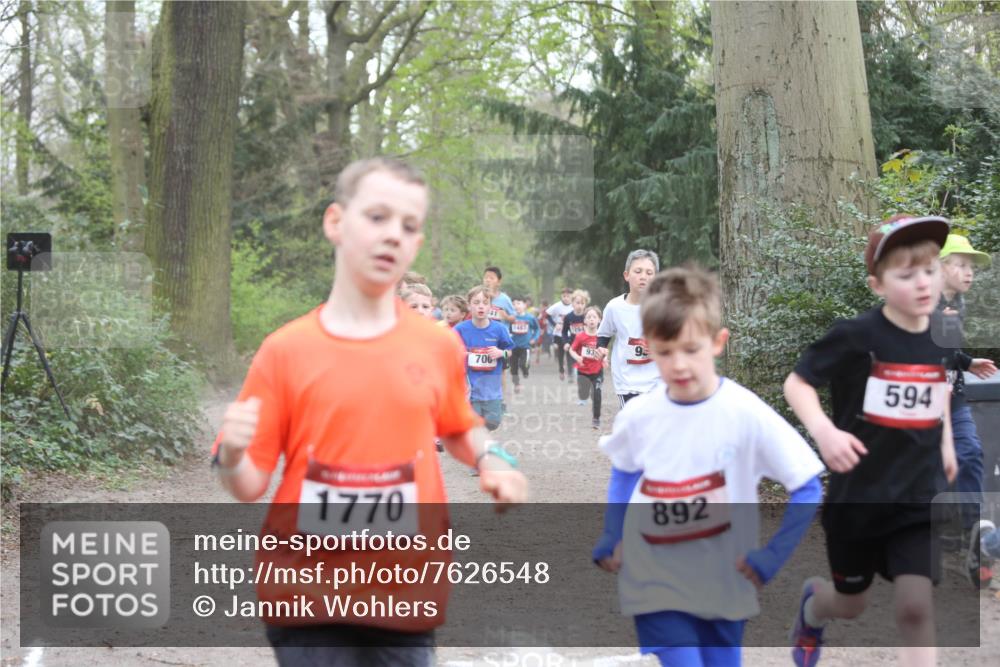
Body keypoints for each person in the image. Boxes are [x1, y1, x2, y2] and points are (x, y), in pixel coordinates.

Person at [212, 158, 527, 666]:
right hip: (305, 590)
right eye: (377, 217)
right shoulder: (284, 350)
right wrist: (230, 452)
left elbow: (461, 429)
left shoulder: (434, 346)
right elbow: (248, 484)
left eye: (408, 226)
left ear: (417, 244)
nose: (392, 235)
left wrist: (494, 461)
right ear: (336, 222)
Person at [593, 266, 824, 667]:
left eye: (691, 349)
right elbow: (626, 469)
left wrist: (771, 557)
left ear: (718, 343)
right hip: (654, 579)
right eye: (664, 352)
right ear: (649, 346)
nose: (679, 365)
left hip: (724, 582)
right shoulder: (640, 415)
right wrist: (612, 533)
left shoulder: (745, 413)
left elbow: (807, 486)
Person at [785, 215, 958, 667]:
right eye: (906, 274)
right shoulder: (856, 336)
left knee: (915, 607)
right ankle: (813, 607)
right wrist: (824, 431)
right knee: (851, 603)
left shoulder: (943, 333)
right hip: (857, 500)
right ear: (877, 285)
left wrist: (946, 444)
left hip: (917, 498)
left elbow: (938, 386)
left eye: (930, 270)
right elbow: (798, 384)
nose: (923, 283)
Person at [934, 234, 997, 587]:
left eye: (971, 267)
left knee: (971, 454)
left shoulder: (958, 304)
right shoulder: (919, 301)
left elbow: (948, 352)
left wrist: (967, 362)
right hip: (919, 403)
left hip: (953, 398)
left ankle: (975, 540)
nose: (968, 273)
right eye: (960, 265)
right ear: (940, 268)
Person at [597, 249, 662, 407]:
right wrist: (601, 348)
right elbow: (604, 334)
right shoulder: (614, 307)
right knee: (633, 427)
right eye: (638, 271)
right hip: (626, 381)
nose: (643, 277)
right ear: (627, 275)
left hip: (656, 380)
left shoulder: (663, 306)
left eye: (649, 273)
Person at [455, 285, 514, 432]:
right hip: (469, 389)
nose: (481, 306)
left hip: (492, 391)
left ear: (490, 306)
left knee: (493, 423)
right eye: (476, 303)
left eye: (485, 303)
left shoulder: (499, 329)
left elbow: (510, 351)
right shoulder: (460, 329)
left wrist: (501, 353)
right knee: (472, 426)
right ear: (469, 306)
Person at [568, 305, 608, 429]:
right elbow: (572, 350)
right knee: (584, 394)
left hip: (597, 371)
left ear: (599, 320)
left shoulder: (602, 336)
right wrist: (577, 358)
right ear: (584, 320)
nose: (591, 319)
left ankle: (596, 418)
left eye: (594, 317)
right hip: (583, 371)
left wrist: (605, 359)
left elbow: (605, 351)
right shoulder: (580, 336)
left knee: (597, 393)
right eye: (589, 317)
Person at [509, 297, 540, 394]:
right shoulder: (511, 318)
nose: (516, 306)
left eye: (518, 303)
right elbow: (506, 329)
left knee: (523, 364)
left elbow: (537, 329)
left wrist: (534, 339)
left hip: (525, 346)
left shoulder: (530, 318)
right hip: (513, 346)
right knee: (513, 367)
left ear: (525, 305)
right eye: (514, 304)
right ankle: (516, 384)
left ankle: (525, 371)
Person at [561, 289, 590, 384]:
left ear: (585, 304)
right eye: (577, 303)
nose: (580, 305)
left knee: (585, 361)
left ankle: (585, 375)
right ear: (572, 303)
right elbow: (564, 332)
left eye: (582, 303)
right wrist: (565, 342)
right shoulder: (568, 317)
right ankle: (570, 374)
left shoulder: (588, 316)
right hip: (573, 343)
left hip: (585, 344)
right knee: (570, 358)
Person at [548, 288, 575, 381]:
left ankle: (570, 374)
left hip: (570, 333)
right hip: (559, 334)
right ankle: (561, 370)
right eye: (564, 296)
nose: (566, 298)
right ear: (561, 296)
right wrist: (555, 324)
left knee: (569, 354)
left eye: (568, 296)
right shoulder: (557, 306)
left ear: (572, 296)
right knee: (560, 353)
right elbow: (547, 315)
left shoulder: (574, 306)